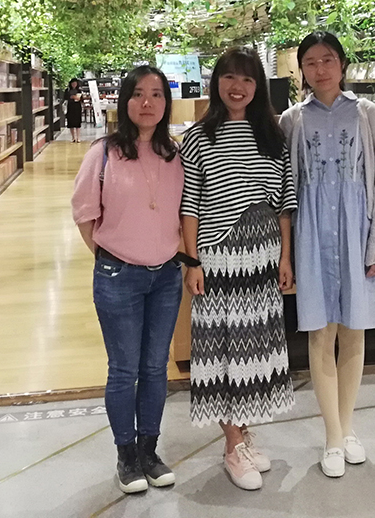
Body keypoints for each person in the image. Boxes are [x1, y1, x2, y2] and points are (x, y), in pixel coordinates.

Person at [279, 31, 375, 479]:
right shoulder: (292, 120)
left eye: (328, 59)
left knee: (354, 333)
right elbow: (284, 190)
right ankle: (331, 436)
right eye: (311, 62)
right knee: (319, 334)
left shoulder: (367, 114)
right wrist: (286, 253)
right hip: (311, 237)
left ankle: (348, 430)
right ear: (302, 70)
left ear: (342, 65)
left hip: (356, 235)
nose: (320, 69)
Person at [179, 48, 296, 491]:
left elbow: (284, 202)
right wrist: (192, 261)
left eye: (247, 79)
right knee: (222, 349)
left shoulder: (273, 135)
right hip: (218, 256)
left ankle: (244, 435)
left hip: (262, 256)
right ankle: (232, 445)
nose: (237, 86)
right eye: (229, 77)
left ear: (258, 86)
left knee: (254, 349)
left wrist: (285, 257)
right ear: (216, 83)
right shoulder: (198, 136)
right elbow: (189, 205)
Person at [70, 66, 185, 494]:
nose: (147, 102)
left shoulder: (175, 154)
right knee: (123, 370)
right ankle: (126, 456)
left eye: (156, 94)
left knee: (155, 367)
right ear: (125, 101)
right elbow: (84, 213)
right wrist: (110, 256)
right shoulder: (103, 153)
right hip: (118, 275)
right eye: (138, 94)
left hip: (166, 276)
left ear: (166, 103)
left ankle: (150, 450)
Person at [64, 77, 85, 143]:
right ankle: (73, 137)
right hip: (70, 107)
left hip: (77, 107)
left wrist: (79, 98)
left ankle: (78, 137)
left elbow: (82, 99)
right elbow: (65, 97)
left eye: (75, 83)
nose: (74, 85)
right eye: (73, 83)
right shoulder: (67, 90)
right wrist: (71, 97)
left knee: (77, 122)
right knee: (71, 122)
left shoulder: (79, 90)